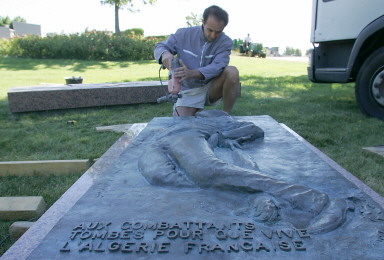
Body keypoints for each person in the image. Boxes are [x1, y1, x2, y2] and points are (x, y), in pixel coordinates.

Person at [154, 5, 240, 117]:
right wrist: (165, 55)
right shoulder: (182, 34)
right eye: (210, 30)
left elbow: (219, 66)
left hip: (211, 88)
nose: (213, 35)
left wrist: (192, 73)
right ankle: (198, 113)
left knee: (232, 72)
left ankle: (226, 115)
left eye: (218, 32)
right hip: (187, 91)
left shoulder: (226, 42)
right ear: (203, 22)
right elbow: (160, 46)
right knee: (180, 123)